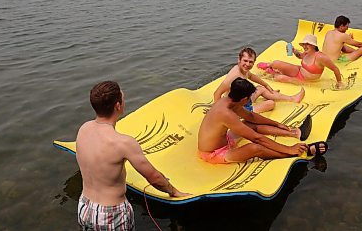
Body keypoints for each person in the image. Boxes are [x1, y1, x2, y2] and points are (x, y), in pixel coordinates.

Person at [76, 81, 190, 231]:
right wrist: (173, 191)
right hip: (111, 213)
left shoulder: (84, 129)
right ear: (118, 106)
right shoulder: (123, 143)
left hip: (85, 206)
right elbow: (154, 177)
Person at [198, 78, 328, 164]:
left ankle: (295, 132)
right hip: (213, 153)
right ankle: (297, 154)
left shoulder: (230, 101)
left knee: (249, 125)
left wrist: (276, 123)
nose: (249, 100)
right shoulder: (225, 113)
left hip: (225, 140)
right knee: (255, 148)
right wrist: (288, 149)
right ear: (244, 99)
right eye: (249, 98)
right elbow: (257, 139)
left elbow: (251, 117)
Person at [213, 47, 304, 113]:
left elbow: (252, 76)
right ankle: (273, 98)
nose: (247, 64)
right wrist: (221, 113)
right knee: (270, 104)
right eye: (245, 61)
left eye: (250, 62)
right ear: (239, 60)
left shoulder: (243, 70)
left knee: (261, 88)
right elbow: (217, 93)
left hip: (244, 100)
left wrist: (266, 85)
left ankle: (292, 99)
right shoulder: (234, 75)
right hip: (238, 109)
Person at [257, 34, 343, 87]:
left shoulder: (321, 57)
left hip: (304, 80)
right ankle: (270, 66)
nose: (305, 46)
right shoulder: (307, 53)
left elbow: (335, 69)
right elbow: (300, 56)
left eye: (307, 44)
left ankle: (274, 72)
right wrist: (294, 51)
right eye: (304, 44)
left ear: (313, 45)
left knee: (279, 78)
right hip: (298, 71)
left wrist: (339, 82)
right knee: (276, 63)